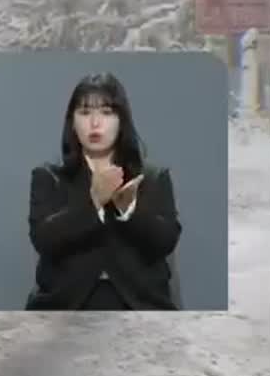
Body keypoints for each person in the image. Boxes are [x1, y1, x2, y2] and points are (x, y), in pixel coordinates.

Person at [25, 72, 182, 310]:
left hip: (137, 305)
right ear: (72, 122)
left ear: (121, 120)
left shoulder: (152, 177)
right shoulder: (48, 177)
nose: (94, 123)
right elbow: (44, 240)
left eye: (106, 113)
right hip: (68, 307)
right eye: (85, 112)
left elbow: (166, 241)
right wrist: (94, 202)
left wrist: (128, 209)